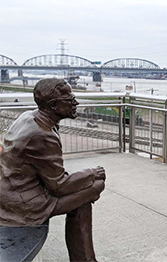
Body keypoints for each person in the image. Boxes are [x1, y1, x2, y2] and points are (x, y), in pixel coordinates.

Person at [0, 78, 106, 262]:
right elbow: (59, 186)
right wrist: (92, 173)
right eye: (71, 100)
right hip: (21, 206)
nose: (76, 103)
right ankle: (85, 260)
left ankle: (85, 260)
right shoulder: (43, 135)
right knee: (94, 188)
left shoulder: (28, 116)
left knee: (87, 192)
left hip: (11, 193)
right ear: (54, 105)